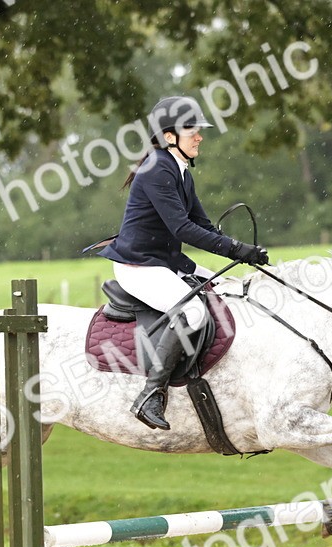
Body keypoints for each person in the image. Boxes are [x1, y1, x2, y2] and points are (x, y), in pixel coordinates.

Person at [100, 95, 269, 431]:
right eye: (192, 129)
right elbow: (182, 229)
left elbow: (203, 226)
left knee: (225, 288)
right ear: (169, 136)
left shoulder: (180, 172)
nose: (200, 135)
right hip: (139, 266)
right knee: (192, 312)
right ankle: (151, 394)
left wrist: (245, 252)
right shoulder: (155, 169)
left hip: (165, 262)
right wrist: (236, 249)